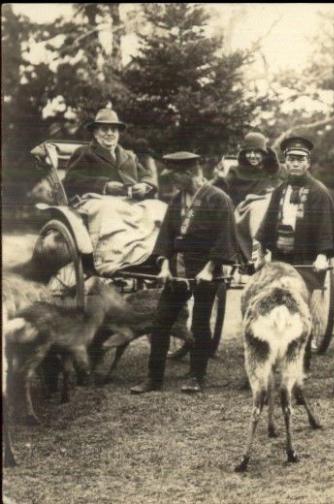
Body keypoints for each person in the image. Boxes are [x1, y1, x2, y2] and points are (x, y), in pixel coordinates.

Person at [130, 151, 237, 395]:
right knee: (160, 322)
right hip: (177, 268)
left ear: (190, 173)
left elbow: (225, 239)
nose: (174, 183)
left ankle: (196, 376)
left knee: (200, 324)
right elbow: (166, 236)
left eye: (177, 177)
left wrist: (210, 269)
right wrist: (164, 266)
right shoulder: (177, 200)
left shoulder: (219, 199)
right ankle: (153, 378)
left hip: (206, 270)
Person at [61, 108, 166, 274]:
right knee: (110, 209)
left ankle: (149, 255)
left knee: (159, 208)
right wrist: (104, 185)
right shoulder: (84, 153)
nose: (109, 133)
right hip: (96, 200)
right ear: (95, 133)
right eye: (104, 129)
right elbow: (71, 181)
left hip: (131, 201)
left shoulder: (128, 156)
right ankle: (112, 260)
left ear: (118, 133)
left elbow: (147, 176)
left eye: (114, 129)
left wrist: (146, 186)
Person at [252, 136, 334, 291]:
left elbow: (325, 227)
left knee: (303, 301)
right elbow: (268, 223)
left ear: (308, 163)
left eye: (300, 160)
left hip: (308, 261)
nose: (295, 164)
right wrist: (260, 254)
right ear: (285, 163)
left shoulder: (319, 192)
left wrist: (322, 256)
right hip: (281, 259)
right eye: (291, 159)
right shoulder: (280, 191)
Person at [212, 132, 285, 262]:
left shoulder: (272, 171)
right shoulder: (235, 171)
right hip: (244, 212)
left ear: (264, 153)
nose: (252, 155)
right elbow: (220, 189)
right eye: (249, 151)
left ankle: (264, 254)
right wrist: (218, 178)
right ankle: (256, 257)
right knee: (255, 210)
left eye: (257, 152)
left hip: (271, 212)